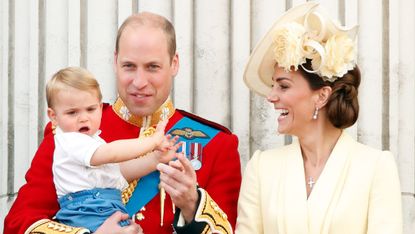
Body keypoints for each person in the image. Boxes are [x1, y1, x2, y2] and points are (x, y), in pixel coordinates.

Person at [4, 11, 241, 234]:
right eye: (129, 66)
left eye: (152, 67)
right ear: (115, 62)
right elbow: (18, 223)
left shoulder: (217, 145)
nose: (139, 82)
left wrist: (191, 206)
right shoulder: (71, 130)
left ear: (174, 64)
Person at [236, 2, 402, 234]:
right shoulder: (262, 168)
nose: (271, 96)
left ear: (322, 95)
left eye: (283, 86)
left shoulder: (375, 168)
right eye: (273, 86)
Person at [46, 67, 180, 232]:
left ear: (100, 107)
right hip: (88, 211)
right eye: (72, 112)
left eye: (90, 109)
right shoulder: (70, 140)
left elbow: (121, 172)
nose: (83, 118)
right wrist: (152, 141)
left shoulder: (93, 141)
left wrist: (155, 159)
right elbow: (111, 153)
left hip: (104, 208)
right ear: (53, 116)